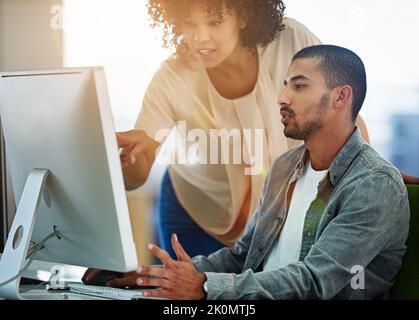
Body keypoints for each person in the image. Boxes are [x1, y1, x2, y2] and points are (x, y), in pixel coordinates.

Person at [108, 45, 410, 300]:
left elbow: (315, 283)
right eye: (285, 84)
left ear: (341, 98)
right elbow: (243, 258)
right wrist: (152, 276)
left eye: (299, 85)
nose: (282, 97)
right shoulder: (285, 167)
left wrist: (204, 287)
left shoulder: (374, 184)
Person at [116, 0, 370, 259]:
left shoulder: (291, 41)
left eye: (215, 22)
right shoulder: (172, 76)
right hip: (194, 213)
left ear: (243, 15)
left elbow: (343, 113)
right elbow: (137, 172)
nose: (201, 38)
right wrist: (130, 158)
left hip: (273, 213)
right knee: (190, 292)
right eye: (190, 24)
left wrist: (370, 173)